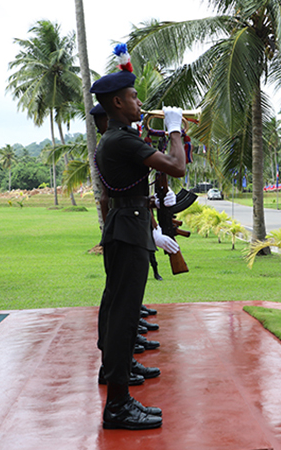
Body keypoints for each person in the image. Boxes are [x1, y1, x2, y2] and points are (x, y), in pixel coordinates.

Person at [92, 51, 186, 430]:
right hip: (128, 230)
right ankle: (117, 406)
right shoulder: (120, 140)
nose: (139, 101)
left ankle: (119, 394)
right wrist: (175, 130)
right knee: (124, 315)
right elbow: (177, 166)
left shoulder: (119, 137)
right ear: (117, 102)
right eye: (133, 96)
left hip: (128, 225)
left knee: (124, 312)